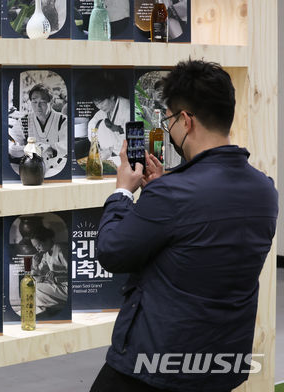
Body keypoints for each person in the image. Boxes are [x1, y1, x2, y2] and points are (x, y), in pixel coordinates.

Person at [91, 60, 277, 392]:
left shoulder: (172, 195)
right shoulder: (265, 189)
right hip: (220, 363)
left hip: (154, 365)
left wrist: (122, 190)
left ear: (186, 120)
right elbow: (200, 244)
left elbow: (111, 251)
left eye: (170, 120)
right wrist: (158, 191)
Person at [9, 85, 67, 177]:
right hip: (32, 167)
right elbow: (11, 145)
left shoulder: (62, 120)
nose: (38, 106)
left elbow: (67, 145)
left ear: (51, 102)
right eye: (34, 102)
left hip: (57, 167)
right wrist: (30, 148)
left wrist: (50, 147)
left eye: (42, 102)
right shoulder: (24, 121)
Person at [24, 220, 68, 312]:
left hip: (67, 287)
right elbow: (36, 275)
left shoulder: (60, 250)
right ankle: (45, 308)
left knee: (37, 289)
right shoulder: (45, 254)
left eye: (38, 245)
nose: (37, 248)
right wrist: (35, 265)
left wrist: (57, 274)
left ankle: (46, 308)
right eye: (35, 247)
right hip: (57, 285)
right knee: (33, 286)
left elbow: (74, 272)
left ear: (47, 239)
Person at [88, 86, 129, 167]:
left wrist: (110, 150)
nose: (99, 107)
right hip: (111, 151)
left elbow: (130, 138)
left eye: (101, 102)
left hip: (127, 153)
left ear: (112, 96)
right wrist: (95, 144)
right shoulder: (106, 108)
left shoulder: (127, 110)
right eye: (96, 104)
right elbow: (93, 123)